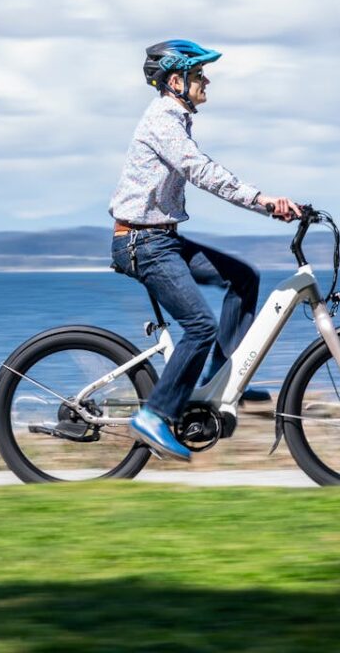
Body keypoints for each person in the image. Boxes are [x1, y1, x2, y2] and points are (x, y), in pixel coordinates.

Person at [109, 39, 301, 462]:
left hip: (162, 238)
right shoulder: (162, 120)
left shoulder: (176, 118)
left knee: (243, 277)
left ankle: (220, 378)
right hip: (142, 243)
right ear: (175, 81)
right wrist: (263, 200)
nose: (206, 80)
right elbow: (201, 170)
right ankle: (154, 415)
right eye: (199, 75)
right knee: (200, 325)